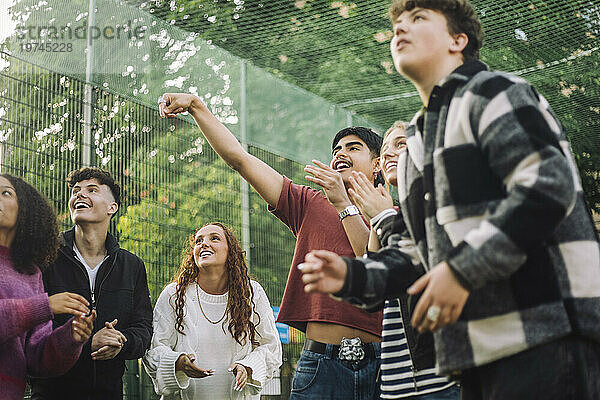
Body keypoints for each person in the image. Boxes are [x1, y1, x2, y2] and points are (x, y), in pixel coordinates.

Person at [299, 0, 600, 399]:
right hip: (475, 356)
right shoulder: (416, 148)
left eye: (418, 18)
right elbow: (414, 253)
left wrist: (460, 271)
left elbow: (546, 187)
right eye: (397, 24)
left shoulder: (492, 92)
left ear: (459, 40)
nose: (401, 29)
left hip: (549, 334)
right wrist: (351, 276)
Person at [158, 93, 383, 399]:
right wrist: (197, 107)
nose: (340, 153)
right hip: (322, 364)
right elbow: (240, 159)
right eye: (336, 149)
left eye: (353, 147)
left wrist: (346, 204)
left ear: (377, 164)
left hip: (384, 366)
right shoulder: (308, 203)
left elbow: (374, 267)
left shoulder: (394, 215)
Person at [347, 122, 458, 399]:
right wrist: (376, 218)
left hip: (443, 379)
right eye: (384, 151)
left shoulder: (443, 205)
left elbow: (425, 271)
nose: (388, 155)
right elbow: (372, 298)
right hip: (397, 384)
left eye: (400, 144)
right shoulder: (391, 218)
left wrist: (383, 217)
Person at [31, 167, 153, 400]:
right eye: (76, 191)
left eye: (92, 190)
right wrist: (86, 344)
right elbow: (33, 328)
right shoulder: (44, 257)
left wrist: (120, 341)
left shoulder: (132, 265)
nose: (80, 194)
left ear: (112, 207)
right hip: (51, 393)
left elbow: (143, 329)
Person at [143, 222, 282, 399]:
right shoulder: (174, 295)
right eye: (198, 241)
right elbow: (154, 350)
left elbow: (271, 348)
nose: (204, 243)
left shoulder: (251, 293)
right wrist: (177, 362)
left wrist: (248, 366)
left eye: (214, 238)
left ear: (230, 251)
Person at [0, 174, 95, 400]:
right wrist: (44, 306)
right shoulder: (43, 303)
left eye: (5, 192)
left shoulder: (31, 273)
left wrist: (70, 338)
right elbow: (40, 308)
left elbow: (36, 359)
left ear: (25, 209)